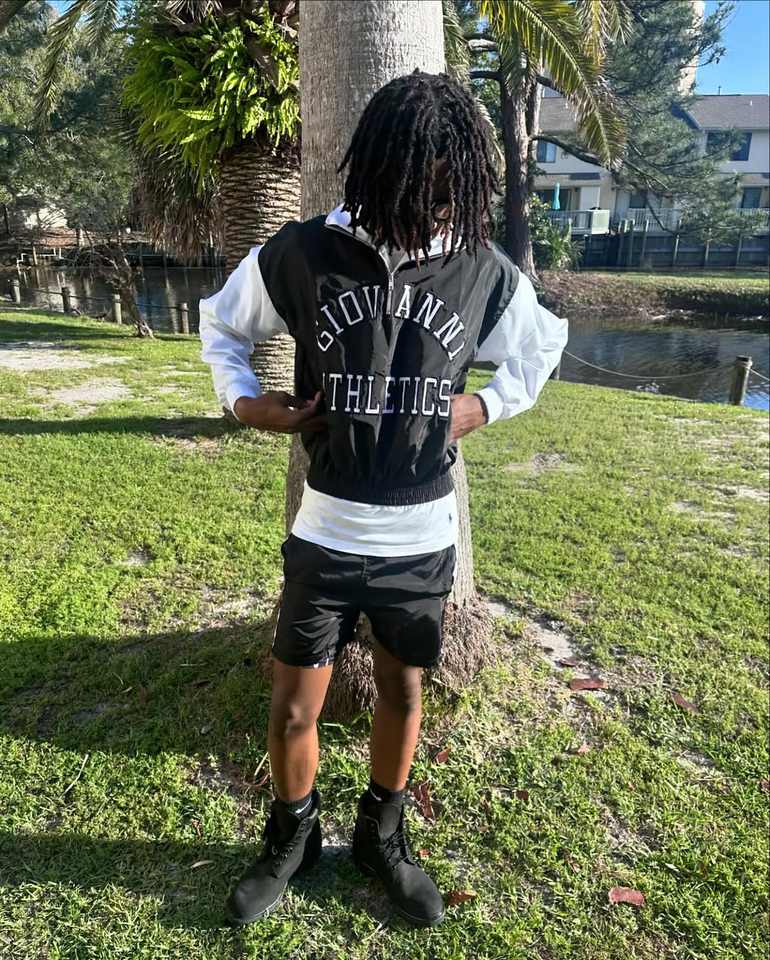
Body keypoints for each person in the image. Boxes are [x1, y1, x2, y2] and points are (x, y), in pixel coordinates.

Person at [199, 70, 568, 929]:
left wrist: (487, 404)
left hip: (420, 535)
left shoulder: (477, 269)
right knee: (295, 703)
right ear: (379, 171)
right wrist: (246, 403)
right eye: (421, 189)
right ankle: (292, 839)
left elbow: (542, 346)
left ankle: (382, 837)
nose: (435, 209)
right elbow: (222, 323)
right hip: (327, 529)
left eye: (448, 193)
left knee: (402, 691)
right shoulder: (306, 254)